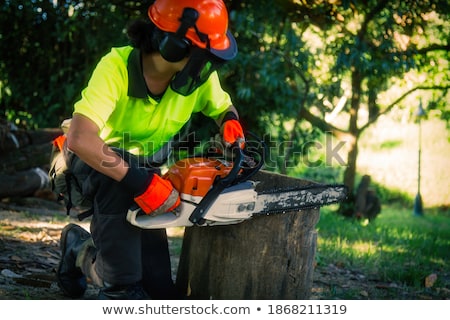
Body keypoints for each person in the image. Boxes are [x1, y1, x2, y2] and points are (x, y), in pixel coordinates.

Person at [55, 0, 244, 300]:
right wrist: (142, 183)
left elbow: (223, 106)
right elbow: (81, 138)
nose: (208, 66)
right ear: (174, 46)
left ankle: (78, 249)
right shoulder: (116, 67)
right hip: (93, 167)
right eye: (203, 55)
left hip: (142, 174)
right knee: (127, 283)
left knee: (158, 290)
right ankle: (118, 289)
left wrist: (230, 123)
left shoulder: (197, 79)